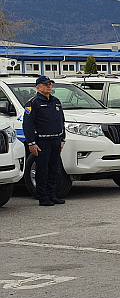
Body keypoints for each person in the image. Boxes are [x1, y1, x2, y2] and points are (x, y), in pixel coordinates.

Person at [23, 75, 65, 206]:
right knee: (42, 170)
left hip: (56, 140)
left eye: (50, 84)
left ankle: (52, 194)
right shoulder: (33, 103)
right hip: (42, 141)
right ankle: (43, 196)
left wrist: (63, 138)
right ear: (38, 87)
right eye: (46, 84)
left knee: (54, 169)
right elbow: (28, 124)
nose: (49, 86)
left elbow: (61, 121)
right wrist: (31, 143)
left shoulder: (55, 101)